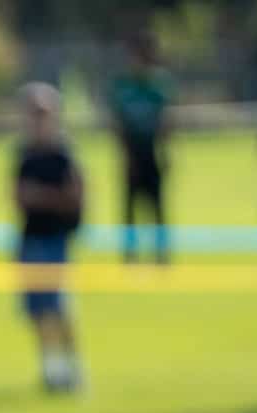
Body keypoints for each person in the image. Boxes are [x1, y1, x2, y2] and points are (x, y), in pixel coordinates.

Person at [14, 82, 86, 393]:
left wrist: (41, 196)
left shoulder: (63, 154)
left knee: (59, 307)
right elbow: (17, 196)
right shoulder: (24, 154)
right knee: (36, 310)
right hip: (30, 237)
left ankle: (73, 367)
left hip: (55, 237)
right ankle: (50, 369)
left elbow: (74, 196)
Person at [109, 33, 172, 265]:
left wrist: (166, 152)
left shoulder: (158, 84)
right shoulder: (122, 85)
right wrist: (124, 156)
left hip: (151, 151)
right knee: (130, 208)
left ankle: (161, 254)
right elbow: (117, 123)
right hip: (131, 151)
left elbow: (165, 121)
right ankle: (130, 255)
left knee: (157, 207)